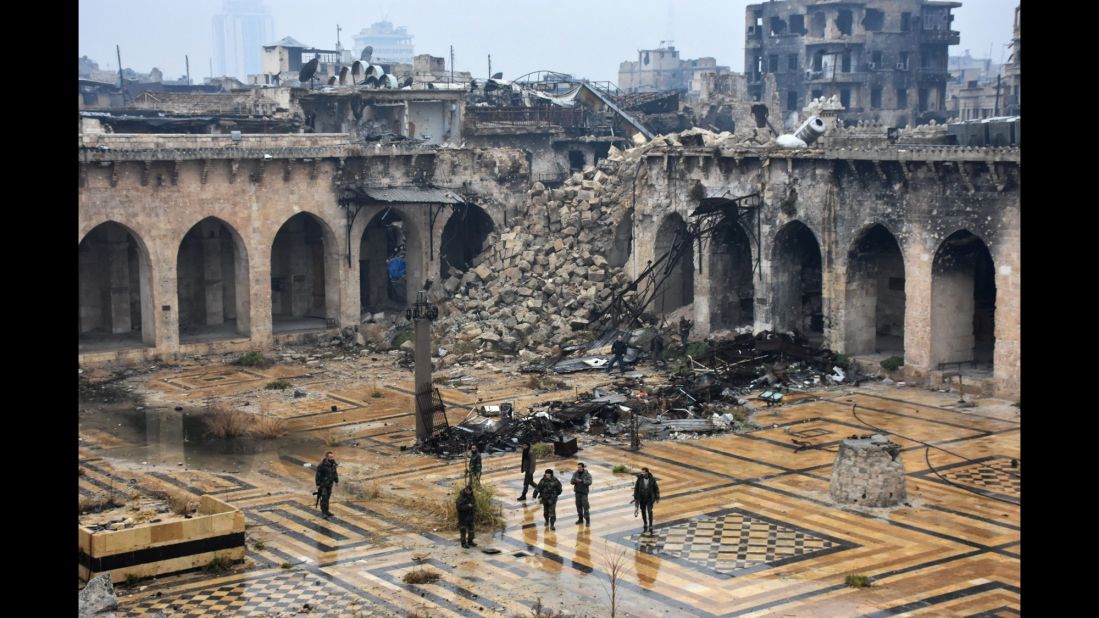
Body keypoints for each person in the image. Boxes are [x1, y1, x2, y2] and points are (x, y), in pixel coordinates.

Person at [632, 467, 660, 534]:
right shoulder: (639, 479)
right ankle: (645, 523)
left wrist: (657, 497)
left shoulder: (652, 479)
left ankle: (650, 524)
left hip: (650, 498)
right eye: (642, 472)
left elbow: (656, 488)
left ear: (647, 472)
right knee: (643, 510)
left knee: (650, 511)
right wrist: (636, 498)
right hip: (642, 498)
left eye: (643, 472)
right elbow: (636, 489)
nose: (642, 473)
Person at [315, 451, 339, 519]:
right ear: (326, 457)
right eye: (330, 457)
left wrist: (336, 481)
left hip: (330, 484)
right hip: (323, 485)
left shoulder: (333, 464)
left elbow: (335, 473)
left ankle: (327, 511)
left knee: (327, 498)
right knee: (324, 498)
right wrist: (318, 484)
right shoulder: (322, 465)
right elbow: (318, 475)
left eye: (332, 456)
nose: (331, 458)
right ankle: (324, 513)